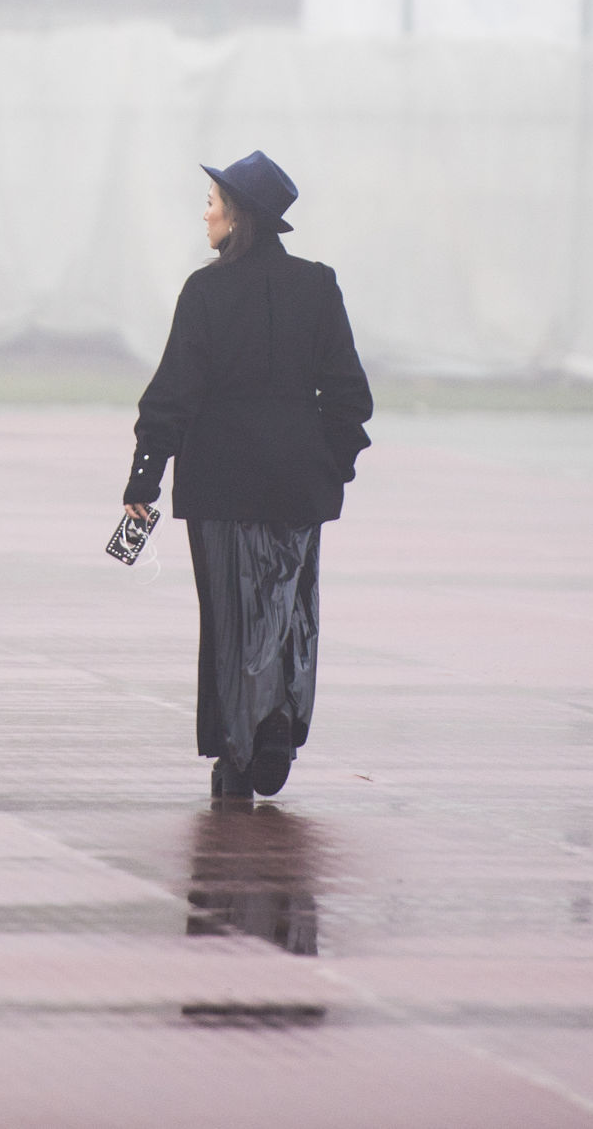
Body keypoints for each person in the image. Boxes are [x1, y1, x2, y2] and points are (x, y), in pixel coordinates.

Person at [121, 150, 372, 801]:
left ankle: (236, 752)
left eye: (211, 200)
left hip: (219, 485)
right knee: (287, 609)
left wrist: (143, 483)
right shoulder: (318, 286)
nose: (204, 211)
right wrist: (330, 468)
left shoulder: (206, 291)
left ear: (238, 216)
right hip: (298, 484)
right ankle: (278, 719)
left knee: (231, 622)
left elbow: (171, 394)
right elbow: (349, 396)